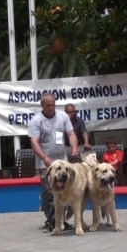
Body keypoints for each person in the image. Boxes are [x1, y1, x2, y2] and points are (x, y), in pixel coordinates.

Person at [29, 93, 79, 233]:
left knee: (66, 190)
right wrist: (44, 157)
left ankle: (62, 221)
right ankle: (52, 221)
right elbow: (34, 142)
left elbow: (71, 134)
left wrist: (74, 147)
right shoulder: (36, 120)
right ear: (42, 105)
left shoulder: (62, 116)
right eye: (48, 105)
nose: (51, 107)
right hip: (46, 163)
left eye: (53, 104)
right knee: (49, 192)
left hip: (62, 161)